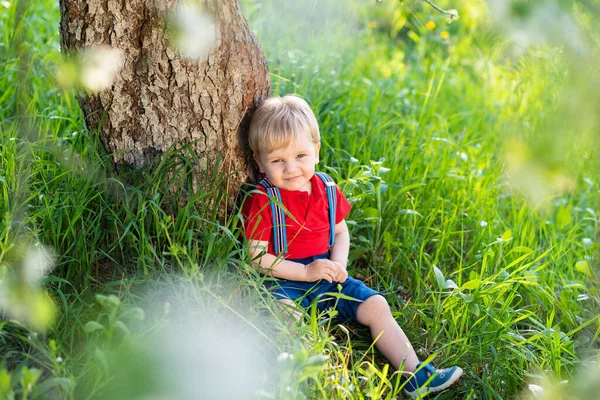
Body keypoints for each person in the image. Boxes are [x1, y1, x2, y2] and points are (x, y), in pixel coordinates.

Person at [241, 95, 462, 398]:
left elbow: (340, 232)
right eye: (278, 160)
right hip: (285, 280)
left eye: (301, 155)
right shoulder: (263, 199)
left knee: (377, 305)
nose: (291, 168)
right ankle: (311, 377)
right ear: (259, 162)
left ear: (316, 151)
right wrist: (305, 272)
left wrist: (339, 264)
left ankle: (414, 373)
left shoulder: (327, 189)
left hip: (328, 272)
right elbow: (256, 257)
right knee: (287, 316)